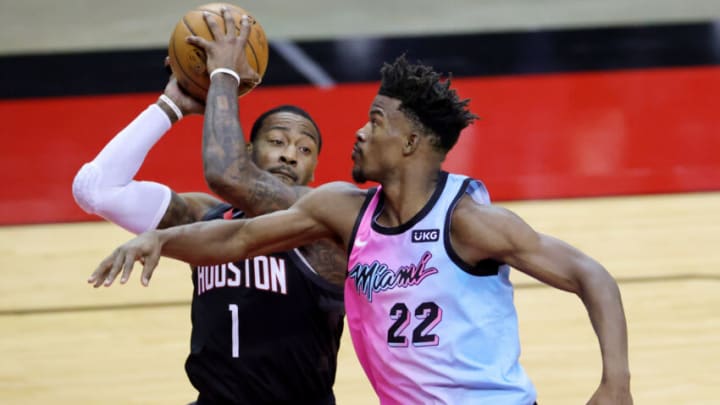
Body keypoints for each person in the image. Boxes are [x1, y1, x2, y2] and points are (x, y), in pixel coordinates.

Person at [89, 8, 633, 405]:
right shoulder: (344, 211)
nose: (357, 131)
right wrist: (160, 238)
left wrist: (615, 384)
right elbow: (236, 239)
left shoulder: (468, 221)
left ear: (410, 143)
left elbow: (590, 274)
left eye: (374, 121)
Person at [73, 13, 345, 404]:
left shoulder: (324, 227)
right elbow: (96, 190)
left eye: (305, 150)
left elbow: (229, 175)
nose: (289, 155)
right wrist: (170, 106)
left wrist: (224, 77)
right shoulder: (206, 217)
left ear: (315, 169)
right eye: (278, 140)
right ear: (246, 150)